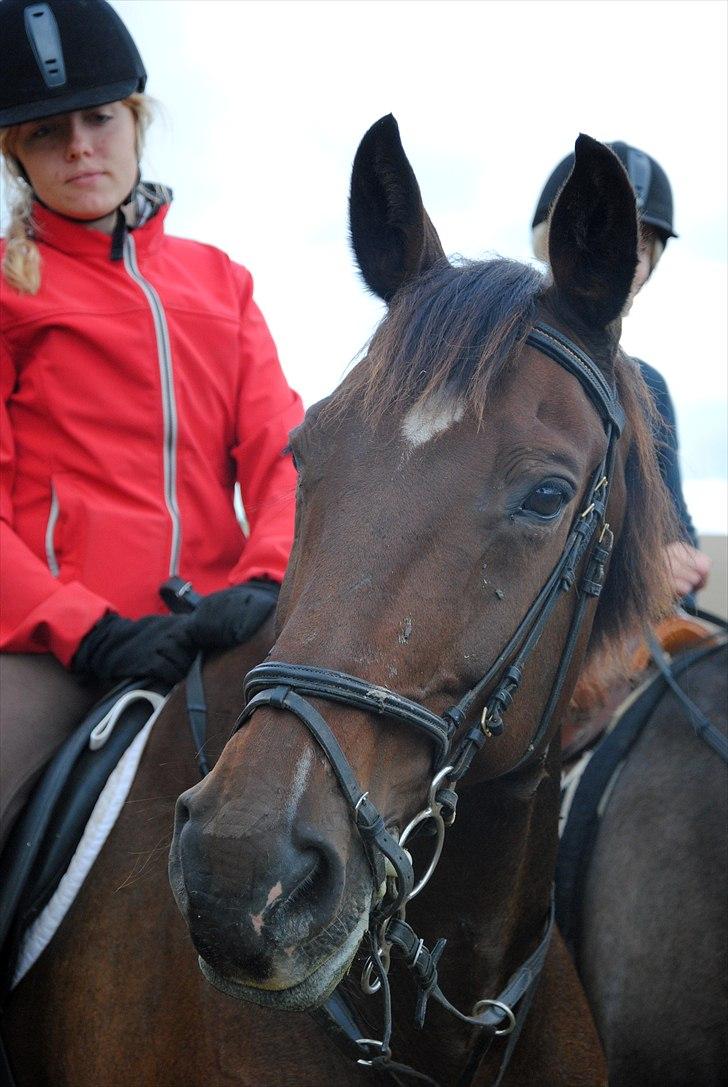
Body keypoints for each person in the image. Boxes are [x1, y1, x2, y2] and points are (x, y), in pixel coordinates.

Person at [0, 0, 303, 847]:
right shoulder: (5, 293)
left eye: (99, 119)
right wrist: (89, 632)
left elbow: (282, 454)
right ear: (17, 155)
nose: (80, 147)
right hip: (58, 650)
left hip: (223, 625)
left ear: (136, 120)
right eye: (45, 131)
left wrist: (261, 583)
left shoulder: (223, 283)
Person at [531, 141, 711, 603]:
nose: (622, 258)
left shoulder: (647, 387)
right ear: (550, 242)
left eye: (642, 245)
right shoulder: (492, 365)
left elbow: (675, 535)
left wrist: (677, 559)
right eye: (598, 237)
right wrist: (645, 571)